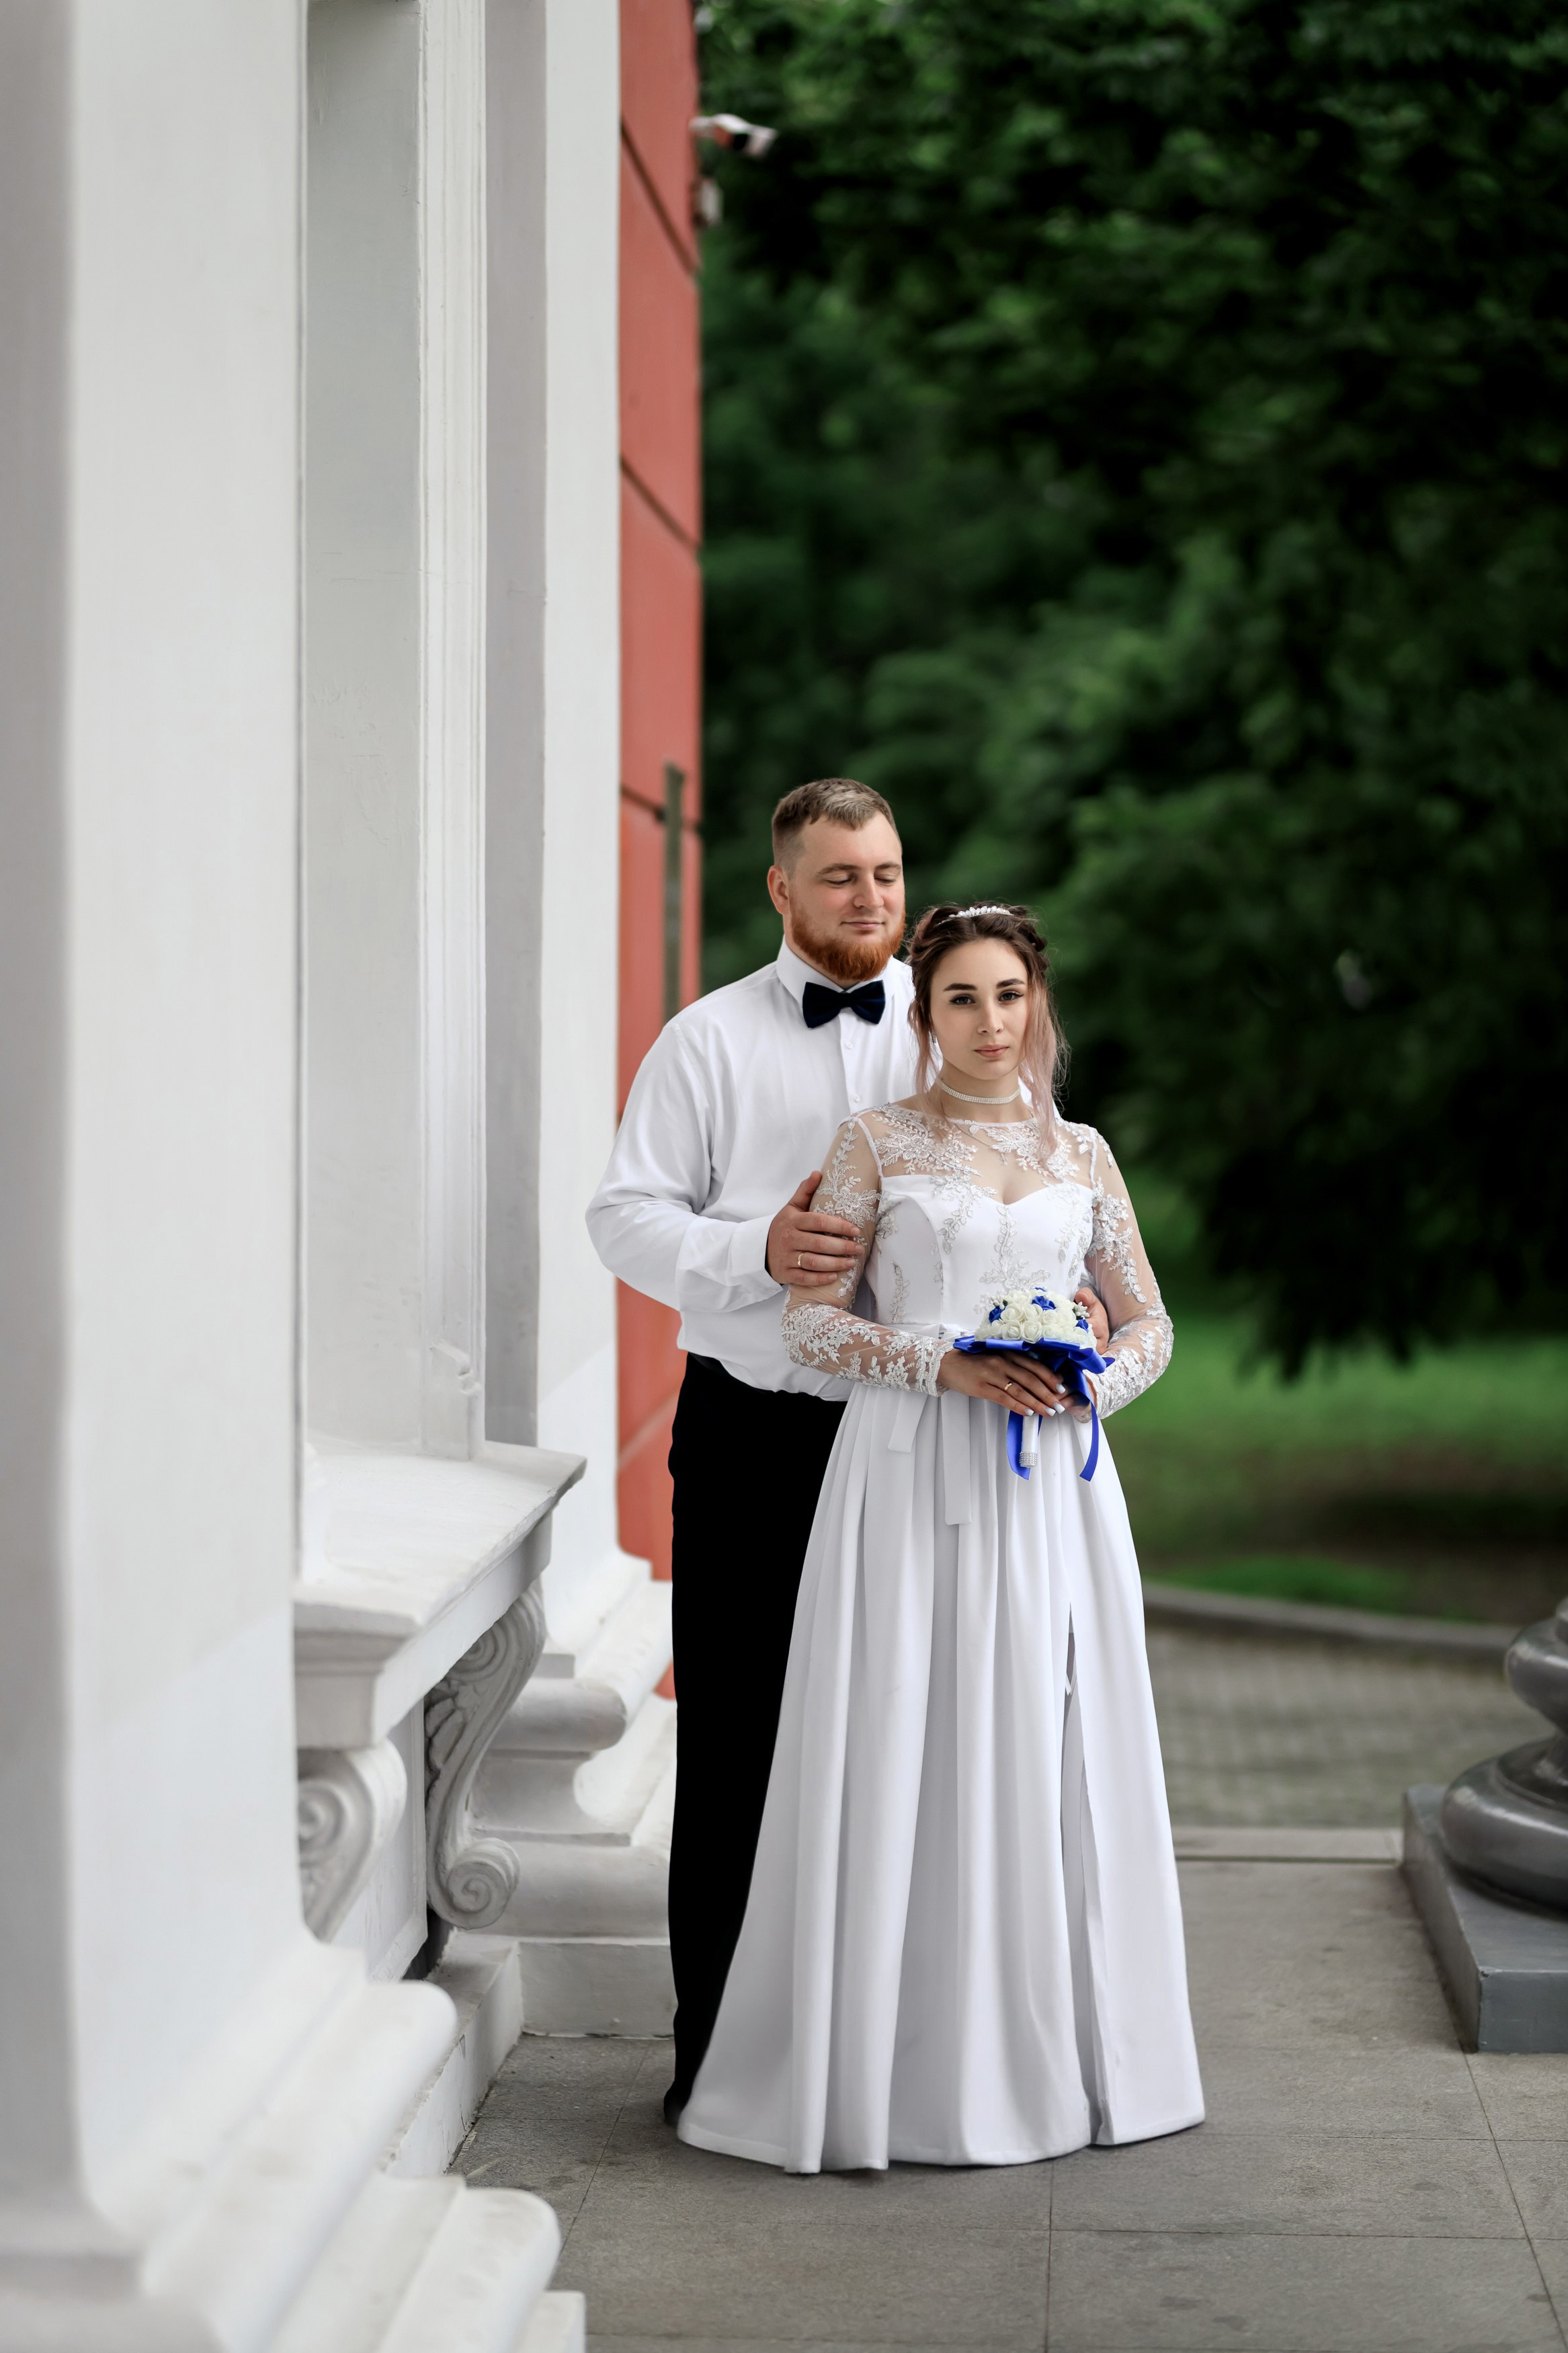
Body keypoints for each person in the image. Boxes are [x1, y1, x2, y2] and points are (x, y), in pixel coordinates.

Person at [586, 781, 1112, 2119]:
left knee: (923, 1748)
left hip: (926, 1447)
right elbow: (620, 1216)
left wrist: (1079, 1296)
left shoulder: (955, 1026)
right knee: (745, 1752)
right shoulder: (704, 1044)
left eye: (884, 873)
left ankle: (906, 2062)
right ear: (780, 889)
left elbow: (1038, 1190)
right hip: (760, 1437)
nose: (869, 898)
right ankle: (721, 2062)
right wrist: (751, 1248)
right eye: (838, 877)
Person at [676, 902, 1204, 2172]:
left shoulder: (1085, 1155)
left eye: (1007, 996)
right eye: (960, 998)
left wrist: (1090, 1385)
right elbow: (811, 1326)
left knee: (1038, 1732)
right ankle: (887, 2070)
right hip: (906, 1474)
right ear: (925, 1016)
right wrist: (946, 1366)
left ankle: (1055, 2057)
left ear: (1037, 1007)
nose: (987, 1022)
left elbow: (1151, 1325)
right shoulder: (873, 1143)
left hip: (1055, 1490)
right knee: (907, 1726)